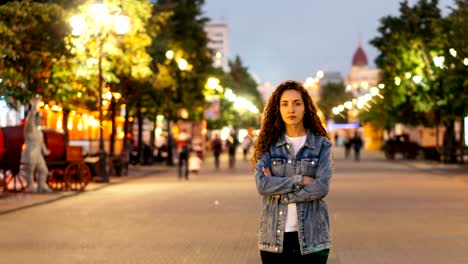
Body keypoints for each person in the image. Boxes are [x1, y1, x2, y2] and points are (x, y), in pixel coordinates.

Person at [251, 80, 332, 263]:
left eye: (297, 103)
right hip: (274, 237)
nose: (291, 109)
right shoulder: (268, 145)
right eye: (285, 104)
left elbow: (321, 187)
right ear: (278, 108)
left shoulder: (321, 145)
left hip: (313, 237)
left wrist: (281, 194)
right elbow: (262, 185)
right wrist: (301, 179)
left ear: (306, 107)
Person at [22, 97, 53, 193]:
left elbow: (41, 143)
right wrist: (34, 107)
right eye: (39, 118)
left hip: (38, 153)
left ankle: (41, 185)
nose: (40, 120)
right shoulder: (29, 128)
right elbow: (30, 119)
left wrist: (45, 150)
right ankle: (30, 185)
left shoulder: (39, 131)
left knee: (44, 170)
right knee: (30, 171)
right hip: (30, 152)